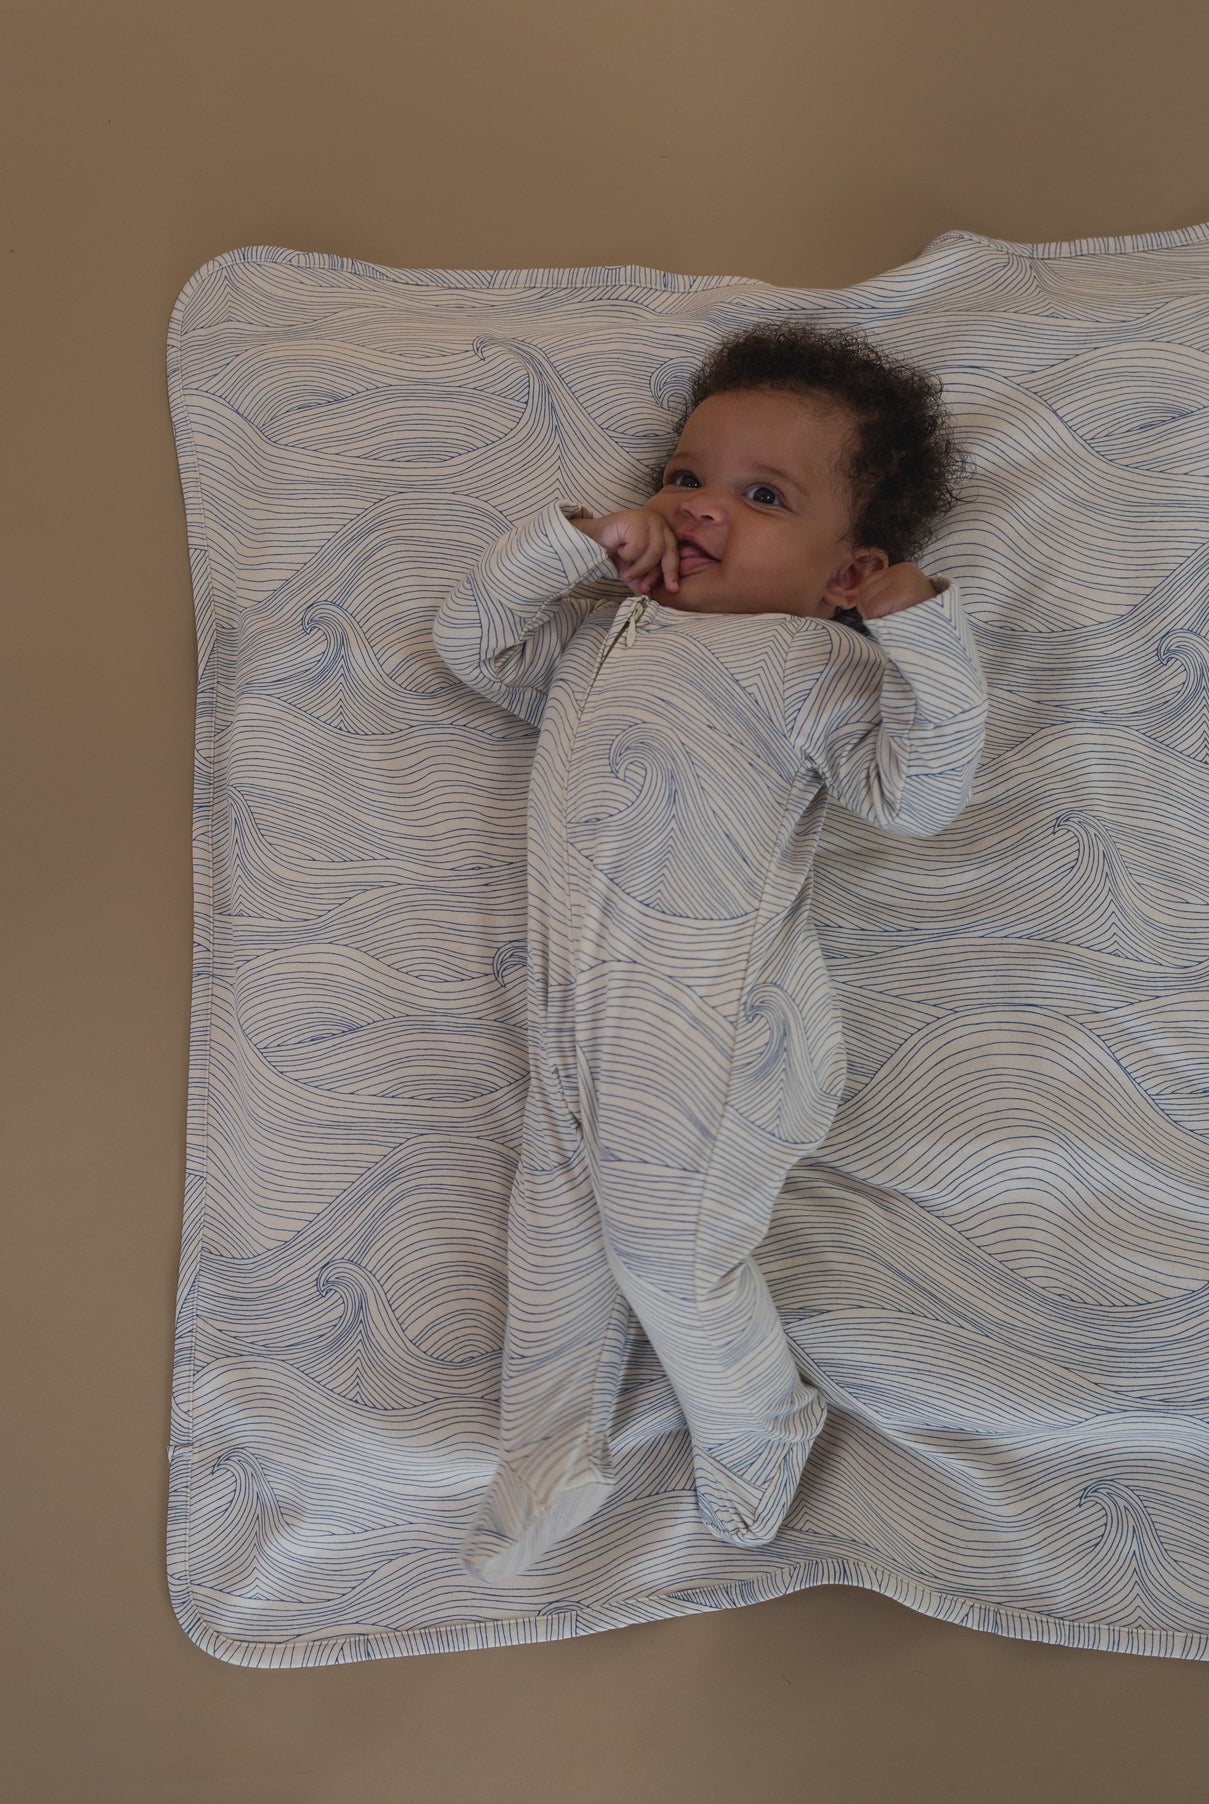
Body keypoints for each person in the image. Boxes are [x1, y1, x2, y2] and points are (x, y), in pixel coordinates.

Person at [433, 319, 989, 1584]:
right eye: (684, 478)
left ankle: (762, 1425)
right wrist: (568, 545)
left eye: (759, 496)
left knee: (663, 1254)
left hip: (719, 1038)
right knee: (556, 1235)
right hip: (585, 1024)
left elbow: (913, 793)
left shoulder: (808, 669)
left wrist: (923, 634)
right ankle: (549, 1452)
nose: (695, 512)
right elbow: (472, 643)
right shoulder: (598, 638)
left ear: (845, 574)